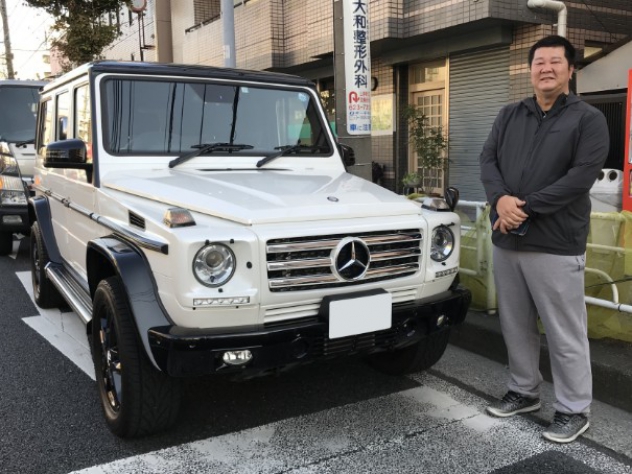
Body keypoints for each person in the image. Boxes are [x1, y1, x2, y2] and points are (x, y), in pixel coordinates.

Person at [479, 35, 609, 443]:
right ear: (530, 69)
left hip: (554, 242)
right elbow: (488, 160)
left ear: (571, 70)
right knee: (515, 324)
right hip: (508, 240)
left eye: (556, 61)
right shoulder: (509, 114)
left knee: (563, 331)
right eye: (539, 62)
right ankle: (524, 390)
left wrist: (524, 207)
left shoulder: (588, 119)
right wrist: (499, 200)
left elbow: (581, 177)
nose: (546, 68)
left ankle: (574, 409)